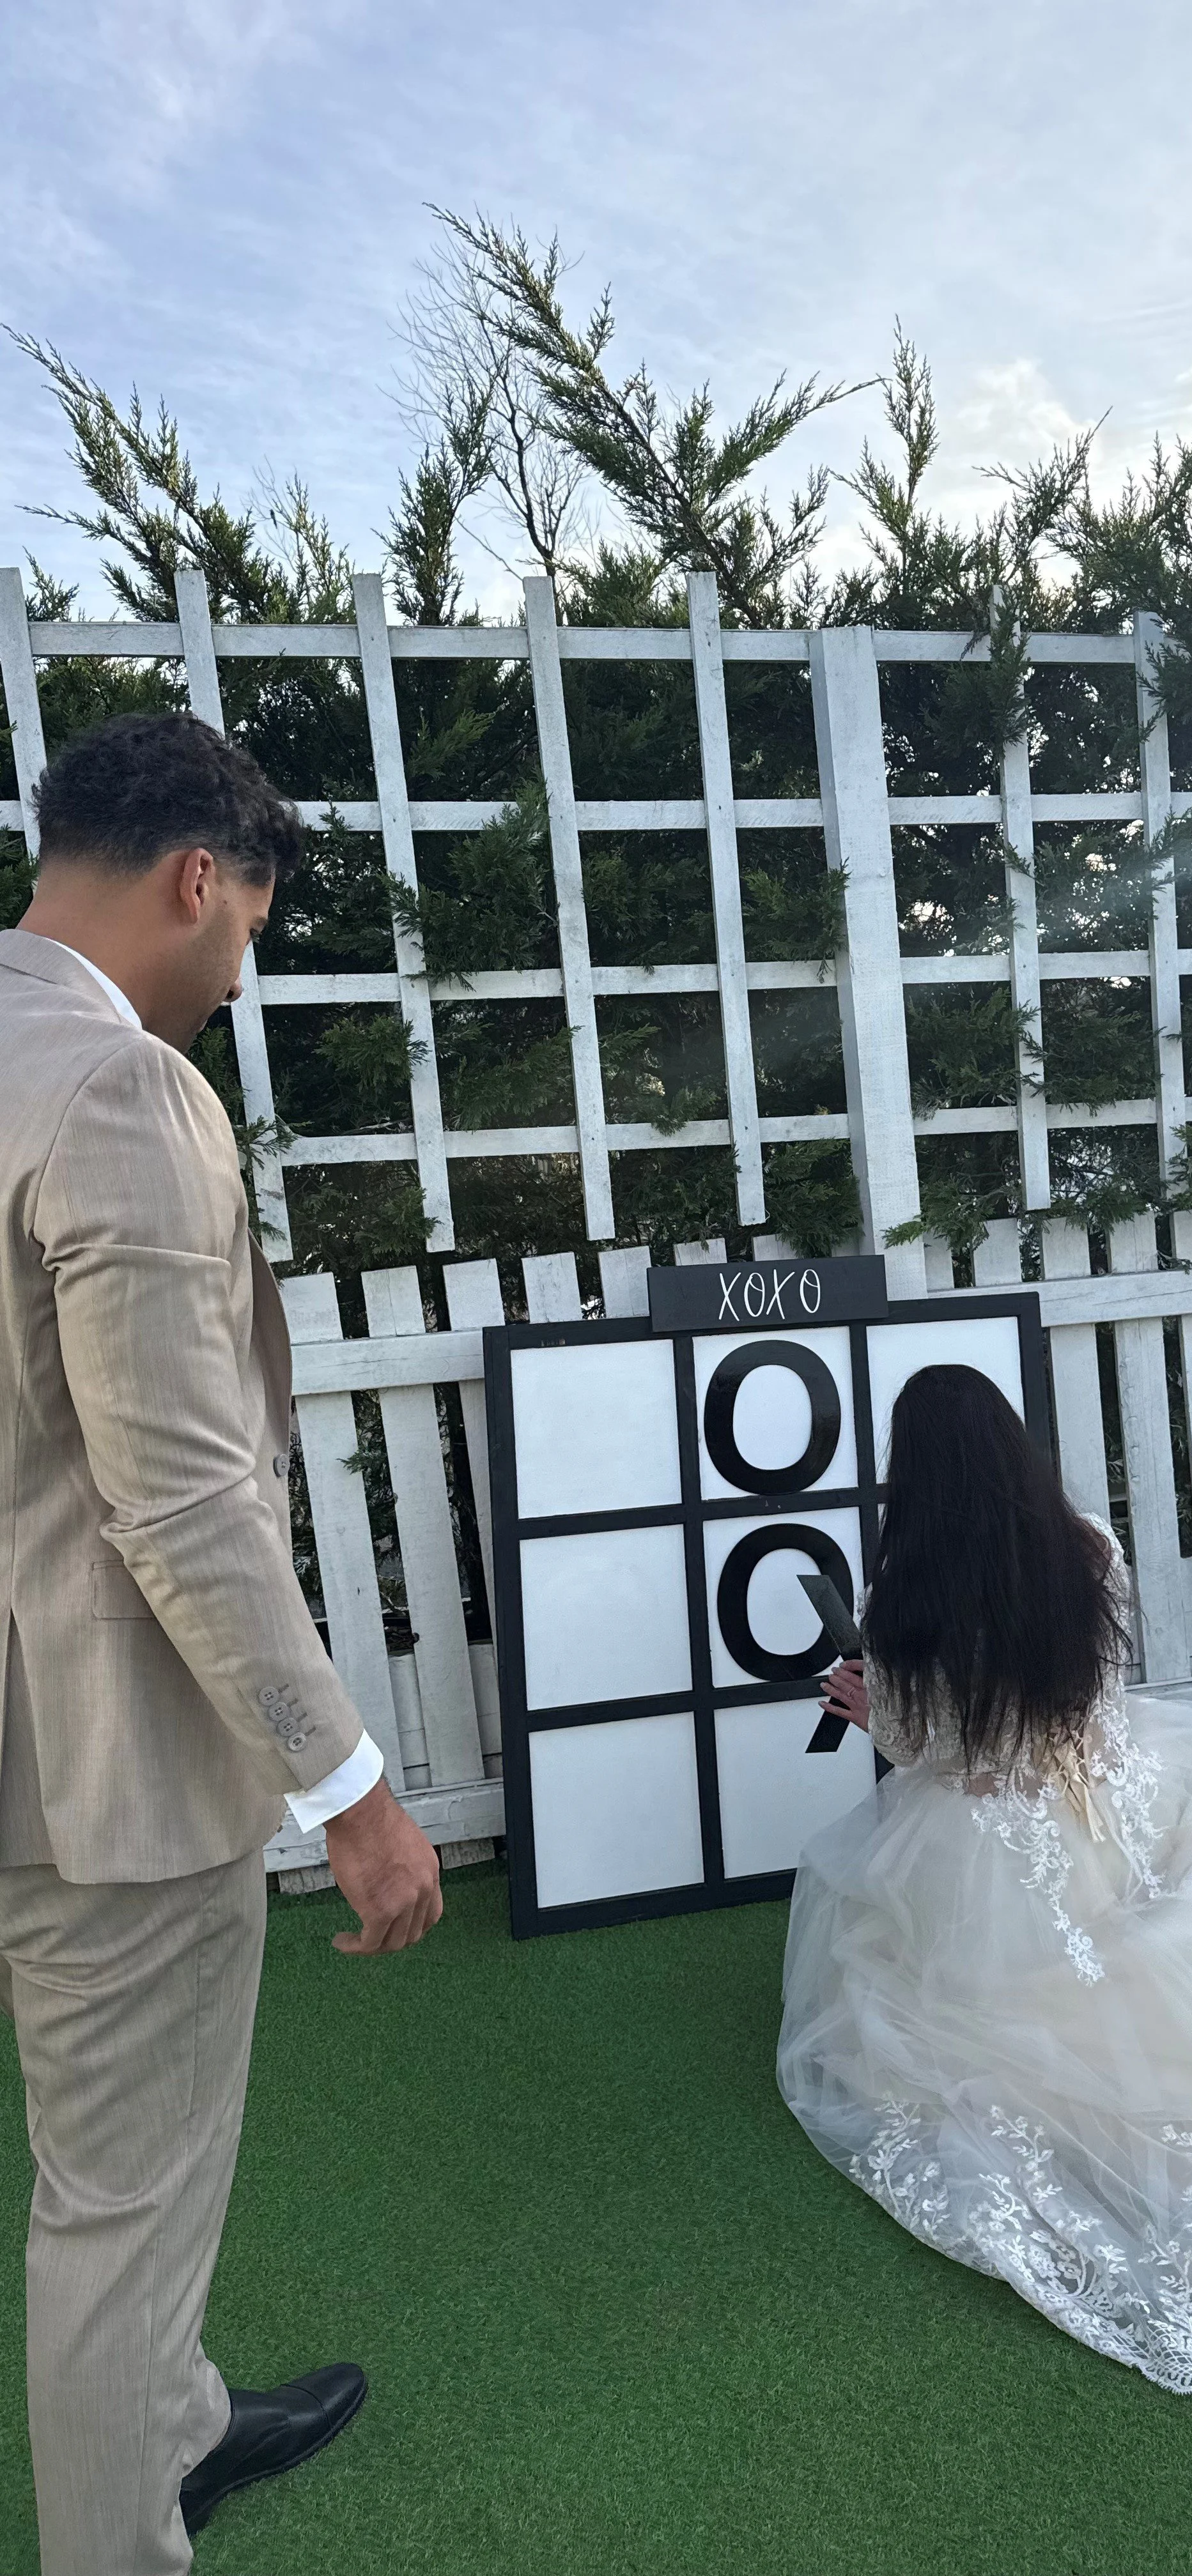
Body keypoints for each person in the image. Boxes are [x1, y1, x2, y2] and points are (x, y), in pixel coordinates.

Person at [0, 711, 444, 2574]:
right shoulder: (122, 1094)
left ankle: (179, 2420)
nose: (239, 976)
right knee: (118, 2209)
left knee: (107, 2194)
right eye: (249, 929)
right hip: (96, 1765)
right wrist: (351, 1792)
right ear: (201, 879)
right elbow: (183, 1503)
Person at [778, 1362, 1192, 2398]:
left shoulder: (906, 1599)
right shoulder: (1091, 1545)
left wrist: (871, 1704)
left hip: (999, 1838)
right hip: (1133, 1784)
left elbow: (932, 1753)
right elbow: (1094, 1688)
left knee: (921, 2001)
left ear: (914, 1475)